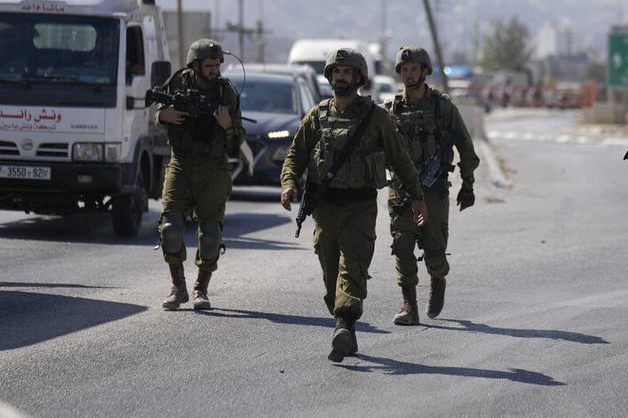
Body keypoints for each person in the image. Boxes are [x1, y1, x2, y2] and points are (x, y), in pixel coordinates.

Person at [279, 48, 429, 363]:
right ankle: (346, 329)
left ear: (358, 78)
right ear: (330, 77)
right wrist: (289, 182)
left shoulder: (375, 118)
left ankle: (345, 325)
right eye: (336, 72)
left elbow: (400, 160)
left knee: (353, 270)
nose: (340, 77)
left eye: (347, 72)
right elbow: (296, 153)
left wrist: (417, 196)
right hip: (325, 208)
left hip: (360, 206)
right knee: (331, 276)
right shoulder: (318, 115)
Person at [386, 46, 480, 326]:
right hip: (402, 189)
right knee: (402, 245)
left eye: (414, 68)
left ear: (424, 71)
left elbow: (465, 144)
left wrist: (468, 184)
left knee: (434, 248)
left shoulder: (442, 106)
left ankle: (437, 280)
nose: (409, 73)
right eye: (404, 69)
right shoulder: (392, 108)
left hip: (433, 189)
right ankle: (409, 305)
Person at [156, 39, 245, 311]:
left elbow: (238, 140)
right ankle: (178, 287)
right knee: (170, 229)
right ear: (194, 65)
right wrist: (164, 116)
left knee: (210, 236)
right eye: (209, 66)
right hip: (180, 164)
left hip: (213, 168)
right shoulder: (178, 83)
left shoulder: (226, 93)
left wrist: (227, 126)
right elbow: (159, 112)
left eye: (217, 65)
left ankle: (200, 290)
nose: (214, 70)